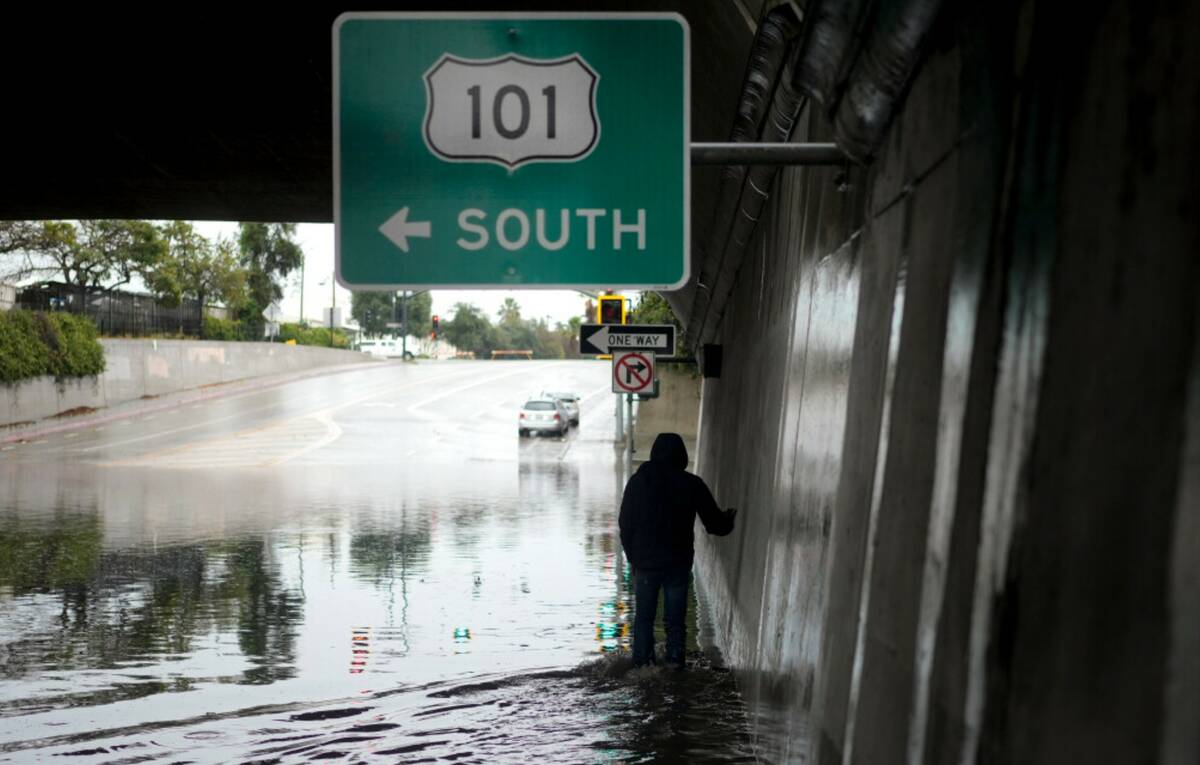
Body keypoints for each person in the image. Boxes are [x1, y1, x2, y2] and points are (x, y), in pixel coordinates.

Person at [619, 432, 737, 669]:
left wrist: (633, 558)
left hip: (645, 564)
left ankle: (642, 666)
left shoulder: (638, 482)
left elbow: (625, 524)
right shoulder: (691, 484)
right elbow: (714, 525)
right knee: (675, 621)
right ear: (681, 455)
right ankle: (674, 667)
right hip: (677, 564)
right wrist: (729, 519)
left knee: (643, 619)